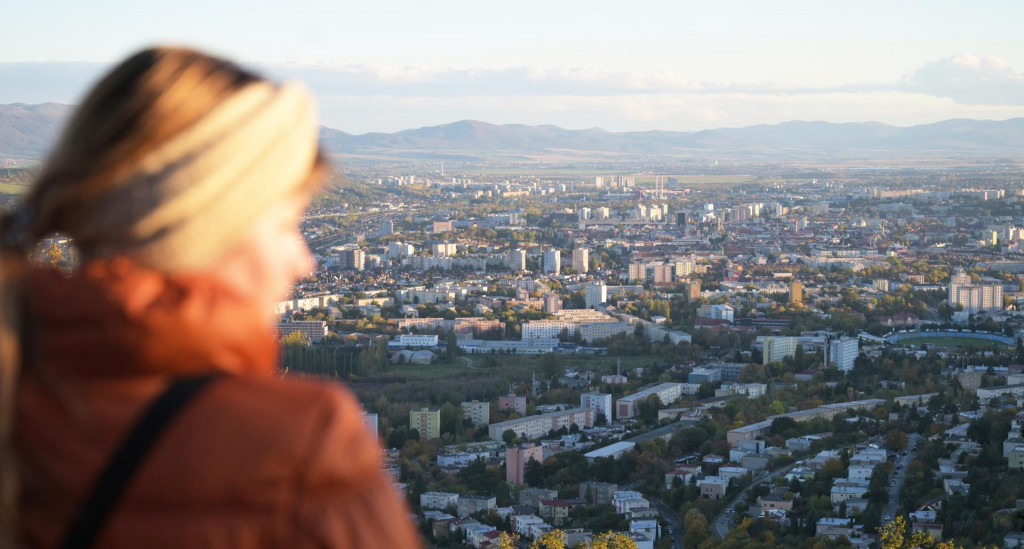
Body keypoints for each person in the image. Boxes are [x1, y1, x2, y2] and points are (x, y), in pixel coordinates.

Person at [0, 47, 421, 548]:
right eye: (288, 225)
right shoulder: (300, 443)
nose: (304, 261)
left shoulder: (23, 390)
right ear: (211, 227)